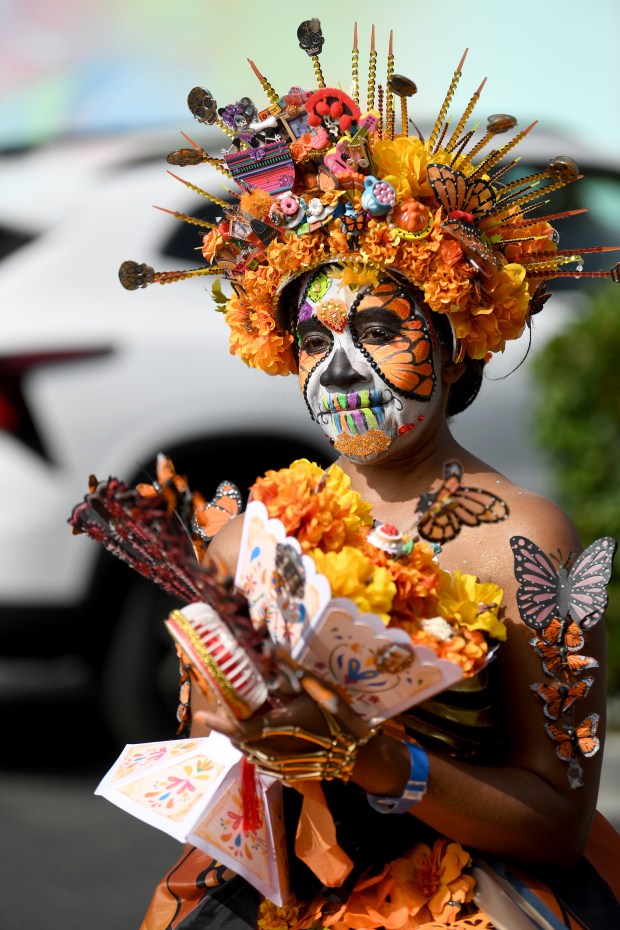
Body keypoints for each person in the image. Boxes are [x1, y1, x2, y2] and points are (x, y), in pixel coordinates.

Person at [113, 19, 620, 930]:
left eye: (378, 331)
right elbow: (207, 780)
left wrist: (384, 761)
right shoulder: (255, 531)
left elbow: (558, 824)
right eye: (314, 341)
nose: (339, 369)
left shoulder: (520, 539)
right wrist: (226, 734)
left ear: (455, 343)